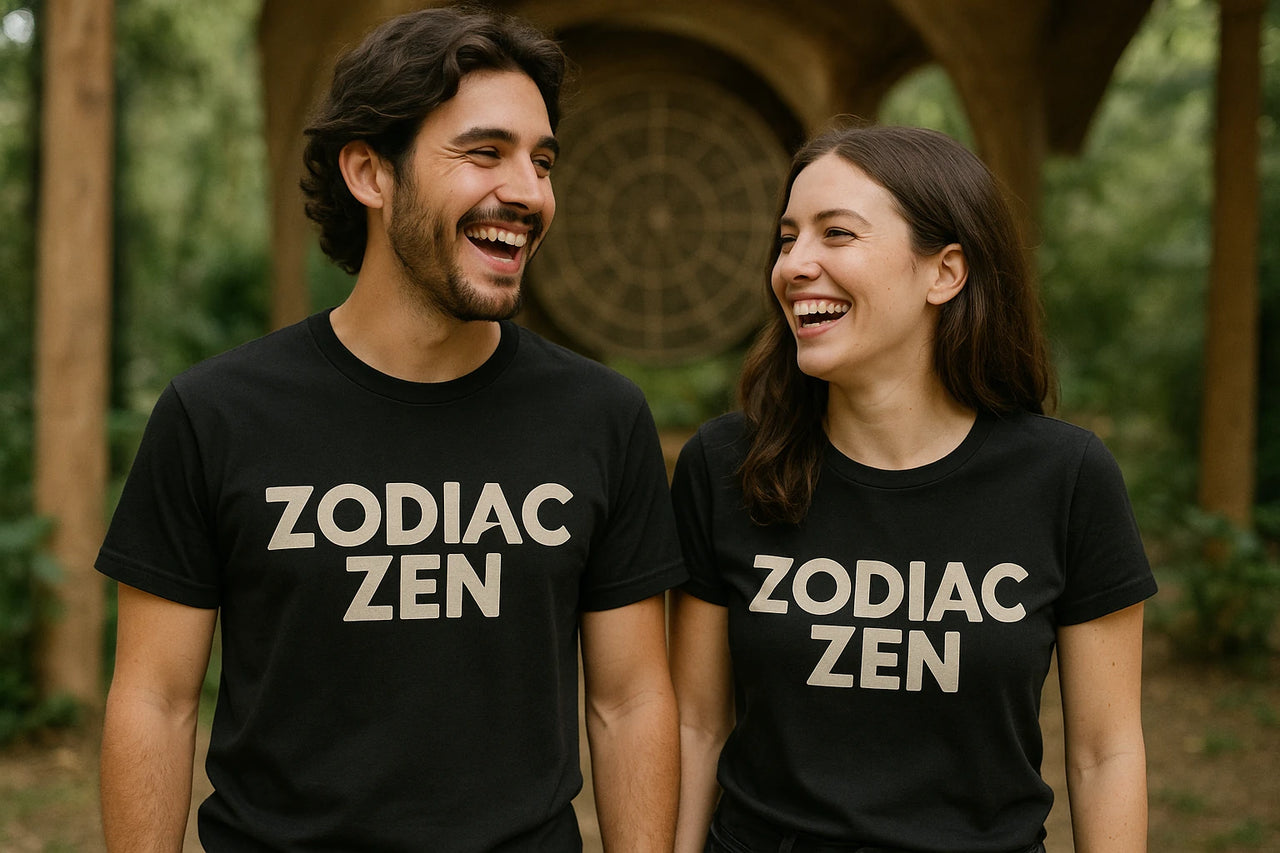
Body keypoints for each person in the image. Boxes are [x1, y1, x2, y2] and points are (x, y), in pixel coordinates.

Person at [98, 7, 685, 851]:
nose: (527, 190)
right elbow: (155, 697)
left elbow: (628, 698)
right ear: (370, 173)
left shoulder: (601, 416)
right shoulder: (216, 413)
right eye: (485, 152)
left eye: (542, 160)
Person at [669, 123, 1156, 853]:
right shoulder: (725, 463)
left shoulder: (1066, 477)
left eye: (836, 234)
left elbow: (1104, 752)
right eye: (787, 236)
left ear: (945, 272)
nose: (795, 264)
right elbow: (695, 724)